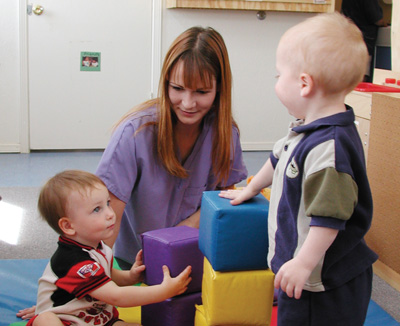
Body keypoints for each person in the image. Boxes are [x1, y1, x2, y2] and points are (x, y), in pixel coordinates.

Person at [17, 26, 247, 320]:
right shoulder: (136, 132)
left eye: (201, 92)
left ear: (220, 89)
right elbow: (103, 220)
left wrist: (183, 230)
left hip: (187, 257)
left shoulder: (225, 134)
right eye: (177, 89)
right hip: (130, 262)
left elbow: (223, 201)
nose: (188, 103)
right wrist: (65, 294)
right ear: (165, 84)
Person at [219, 13, 378, 326]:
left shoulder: (328, 147)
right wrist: (250, 188)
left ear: (304, 83)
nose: (277, 82)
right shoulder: (307, 129)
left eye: (279, 75)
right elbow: (278, 157)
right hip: (305, 271)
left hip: (322, 281)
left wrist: (303, 263)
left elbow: (330, 217)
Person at [26, 170, 192, 326]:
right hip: (65, 320)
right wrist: (164, 291)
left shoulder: (99, 246)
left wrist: (131, 277)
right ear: (68, 226)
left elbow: (108, 275)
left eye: (108, 204)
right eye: (97, 209)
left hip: (99, 320)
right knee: (45, 319)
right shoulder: (73, 261)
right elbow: (116, 297)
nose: (110, 213)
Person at [341, 0, 388, 82]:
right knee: (362, 73)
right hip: (365, 39)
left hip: (348, 36)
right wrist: (384, 23)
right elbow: (377, 20)